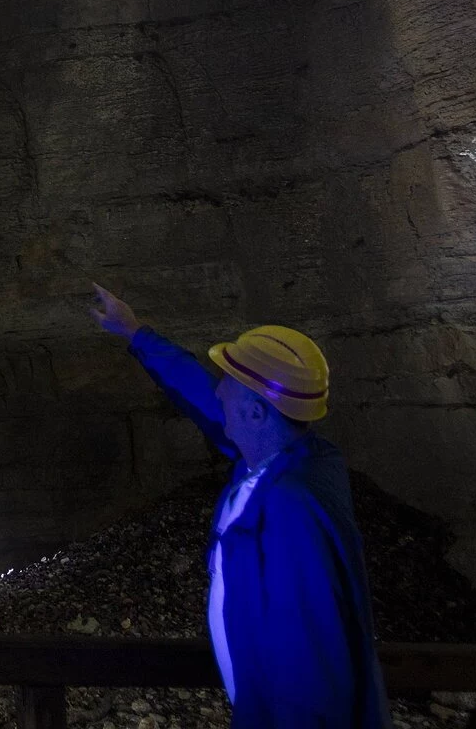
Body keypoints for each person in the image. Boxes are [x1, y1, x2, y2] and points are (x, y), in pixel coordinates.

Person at [89, 284, 387, 729]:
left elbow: (311, 659)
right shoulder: (276, 460)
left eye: (227, 382)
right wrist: (134, 333)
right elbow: (199, 395)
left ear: (256, 413)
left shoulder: (291, 508)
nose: (218, 390)